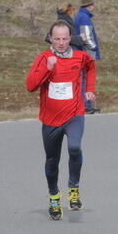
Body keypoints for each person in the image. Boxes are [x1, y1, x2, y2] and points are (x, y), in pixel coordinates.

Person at [25, 20, 96, 219]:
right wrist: (47, 68)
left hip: (74, 114)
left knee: (74, 148)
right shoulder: (43, 58)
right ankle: (54, 197)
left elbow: (91, 68)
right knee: (52, 160)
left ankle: (74, 189)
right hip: (50, 119)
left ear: (70, 38)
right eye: (57, 39)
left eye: (65, 39)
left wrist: (89, 90)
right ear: (50, 38)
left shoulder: (80, 57)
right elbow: (30, 86)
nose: (61, 43)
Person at [74, 0, 100, 113]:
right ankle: (86, 105)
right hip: (86, 53)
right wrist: (94, 47)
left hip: (81, 52)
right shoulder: (85, 18)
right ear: (89, 6)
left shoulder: (79, 16)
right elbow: (87, 36)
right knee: (86, 78)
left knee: (83, 78)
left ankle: (85, 104)